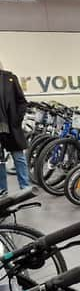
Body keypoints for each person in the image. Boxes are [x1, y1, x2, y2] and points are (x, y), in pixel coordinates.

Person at [0, 61, 29, 193]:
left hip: (11, 126)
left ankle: (25, 187)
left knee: (18, 157)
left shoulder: (10, 78)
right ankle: (2, 190)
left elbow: (22, 101)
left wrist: (17, 120)